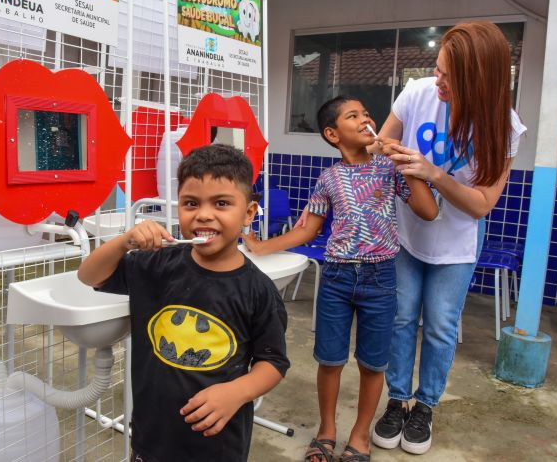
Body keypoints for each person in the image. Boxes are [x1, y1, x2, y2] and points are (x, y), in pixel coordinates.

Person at [242, 96, 438, 462]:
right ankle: (327, 430)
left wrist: (404, 162)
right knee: (330, 360)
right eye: (354, 116)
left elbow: (428, 211)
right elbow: (308, 230)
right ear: (333, 134)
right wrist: (260, 246)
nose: (366, 119)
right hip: (336, 278)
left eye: (367, 113)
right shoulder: (328, 177)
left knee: (373, 363)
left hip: (380, 279)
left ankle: (361, 435)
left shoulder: (389, 169)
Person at [368, 21, 527, 455]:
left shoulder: (504, 126)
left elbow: (481, 204)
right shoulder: (417, 92)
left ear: (478, 81)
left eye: (447, 77)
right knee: (401, 319)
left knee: (439, 326)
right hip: (405, 232)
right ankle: (397, 400)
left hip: (455, 245)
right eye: (436, 69)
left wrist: (434, 173)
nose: (436, 80)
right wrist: (388, 150)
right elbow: (382, 141)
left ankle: (425, 407)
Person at [77, 144, 290, 462]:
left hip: (217, 445)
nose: (204, 214)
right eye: (191, 203)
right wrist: (125, 241)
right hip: (150, 439)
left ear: (248, 213)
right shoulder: (157, 264)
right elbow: (89, 275)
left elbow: (273, 362)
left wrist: (236, 392)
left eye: (221, 203)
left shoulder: (257, 290)